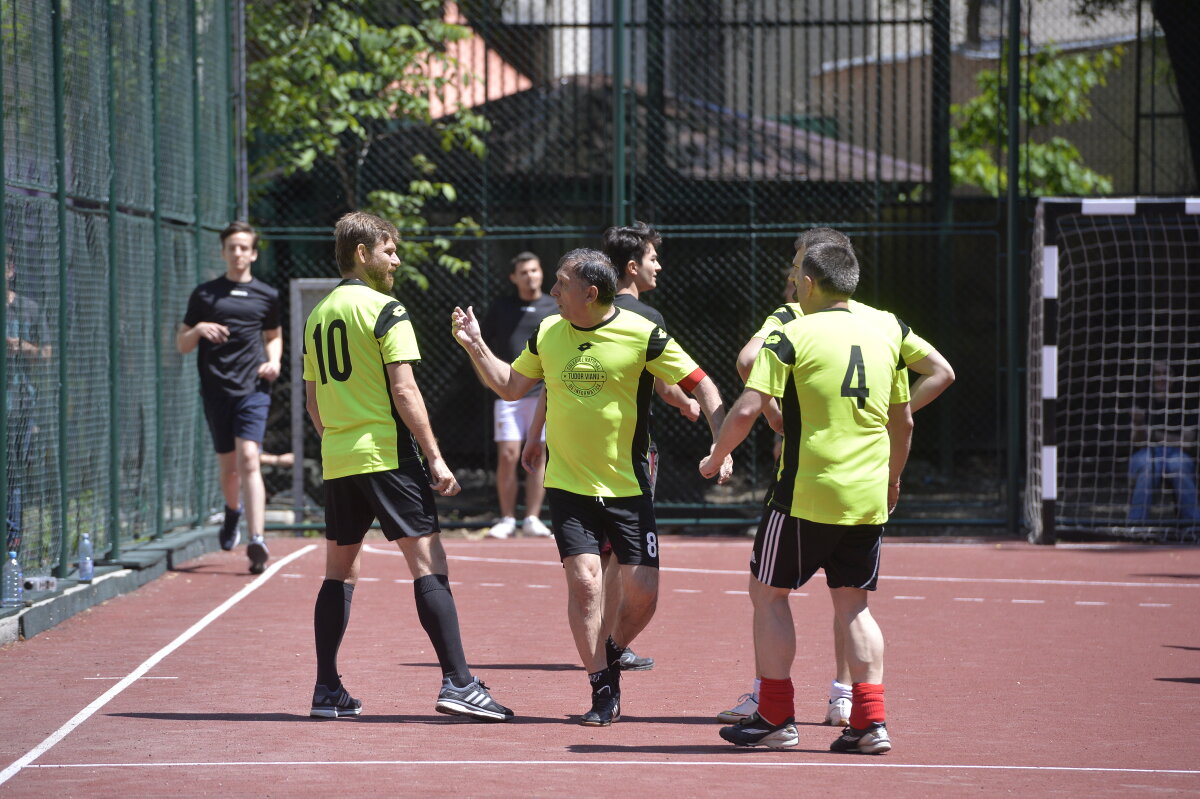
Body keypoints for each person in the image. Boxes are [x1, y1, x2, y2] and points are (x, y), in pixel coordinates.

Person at [452, 248, 731, 726]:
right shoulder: (547, 333)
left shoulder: (643, 334)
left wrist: (721, 448)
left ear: (591, 292)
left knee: (643, 592)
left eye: (561, 284)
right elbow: (511, 387)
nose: (553, 292)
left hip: (627, 485)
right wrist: (475, 344)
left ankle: (611, 649)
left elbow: (703, 386)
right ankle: (603, 688)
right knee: (585, 583)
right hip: (569, 485)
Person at [718, 227, 954, 729]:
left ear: (807, 281)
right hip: (867, 491)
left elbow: (746, 400)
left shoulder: (793, 330)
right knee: (854, 607)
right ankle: (868, 722)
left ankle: (775, 717)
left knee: (768, 594)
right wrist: (892, 478)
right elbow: (905, 420)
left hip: (806, 489)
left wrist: (718, 453)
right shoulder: (886, 329)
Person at [303, 211, 512, 722]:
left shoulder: (317, 314)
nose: (396, 259)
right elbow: (404, 389)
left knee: (339, 573)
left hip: (339, 457)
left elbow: (312, 401)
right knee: (429, 562)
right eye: (389, 250)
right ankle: (459, 683)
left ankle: (327, 688)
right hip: (386, 453)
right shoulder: (385, 309)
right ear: (362, 252)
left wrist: (339, 442)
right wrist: (435, 457)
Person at [177, 222, 280, 574]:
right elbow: (181, 344)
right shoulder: (205, 295)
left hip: (253, 388)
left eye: (243, 247)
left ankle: (257, 539)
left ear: (253, 253)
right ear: (223, 252)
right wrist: (198, 329)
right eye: (231, 247)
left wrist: (275, 361)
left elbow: (274, 335)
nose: (237, 253)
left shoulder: (267, 295)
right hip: (216, 389)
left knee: (249, 457)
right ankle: (232, 511)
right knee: (229, 467)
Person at [478, 252, 556, 539]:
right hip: (508, 394)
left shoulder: (555, 307)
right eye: (523, 272)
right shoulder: (502, 307)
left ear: (541, 273)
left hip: (544, 395)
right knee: (509, 454)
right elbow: (480, 345)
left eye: (534, 270)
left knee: (538, 453)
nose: (530, 276)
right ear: (514, 278)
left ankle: (532, 518)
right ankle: (507, 518)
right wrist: (487, 377)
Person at [5, 254, 52, 553]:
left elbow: (47, 352)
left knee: (13, 477)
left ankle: (12, 547)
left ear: (10, 270)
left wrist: (21, 346)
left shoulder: (29, 308)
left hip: (18, 405)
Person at [1127, 359, 1199, 526]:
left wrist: (1153, 434)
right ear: (1151, 378)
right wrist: (1139, 424)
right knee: (1148, 466)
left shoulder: (1185, 403)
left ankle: (1193, 526)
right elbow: (1137, 442)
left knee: (1178, 466)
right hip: (1146, 454)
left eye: (1165, 373)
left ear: (1173, 377)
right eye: (1157, 374)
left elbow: (1187, 443)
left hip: (1177, 455)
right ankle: (1135, 526)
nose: (1161, 378)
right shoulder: (1142, 401)